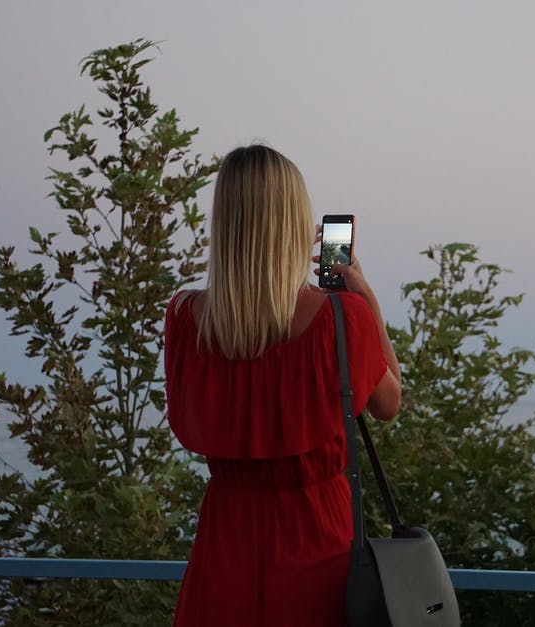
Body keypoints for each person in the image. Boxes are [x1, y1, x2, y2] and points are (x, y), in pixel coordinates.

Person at [164, 144, 402, 626]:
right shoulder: (338, 316)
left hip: (225, 545)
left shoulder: (187, 319)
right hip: (318, 544)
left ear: (225, 223)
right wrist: (365, 296)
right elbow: (389, 402)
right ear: (295, 223)